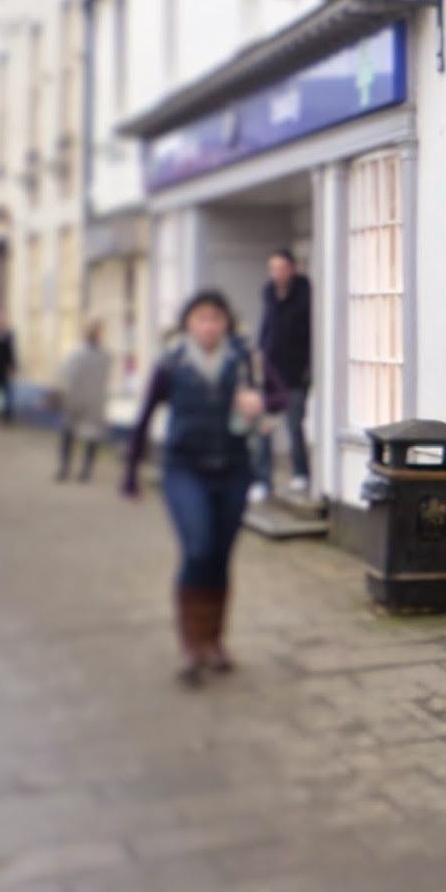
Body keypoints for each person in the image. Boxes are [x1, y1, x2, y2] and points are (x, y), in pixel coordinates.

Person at [122, 290, 280, 686]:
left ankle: (214, 642)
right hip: (184, 470)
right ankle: (191, 645)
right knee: (198, 547)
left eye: (216, 318)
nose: (209, 326)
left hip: (234, 470)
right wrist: (130, 470)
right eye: (201, 318)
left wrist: (259, 402)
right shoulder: (171, 363)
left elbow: (281, 394)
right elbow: (144, 416)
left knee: (221, 556)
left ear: (226, 323)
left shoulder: (244, 359)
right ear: (188, 324)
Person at [252, 248, 312, 503]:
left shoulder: (305, 294)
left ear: (292, 269)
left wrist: (308, 367)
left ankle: (300, 472)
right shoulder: (268, 293)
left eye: (281, 268)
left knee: (293, 424)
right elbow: (266, 326)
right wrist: (259, 353)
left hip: (296, 371)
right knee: (262, 425)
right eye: (273, 268)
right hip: (270, 371)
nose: (277, 273)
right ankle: (262, 480)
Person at [56, 320, 113, 482]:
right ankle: (81, 470)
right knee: (86, 436)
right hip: (90, 400)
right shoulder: (104, 356)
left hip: (79, 399)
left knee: (73, 434)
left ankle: (68, 469)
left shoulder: (78, 354)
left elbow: (65, 373)